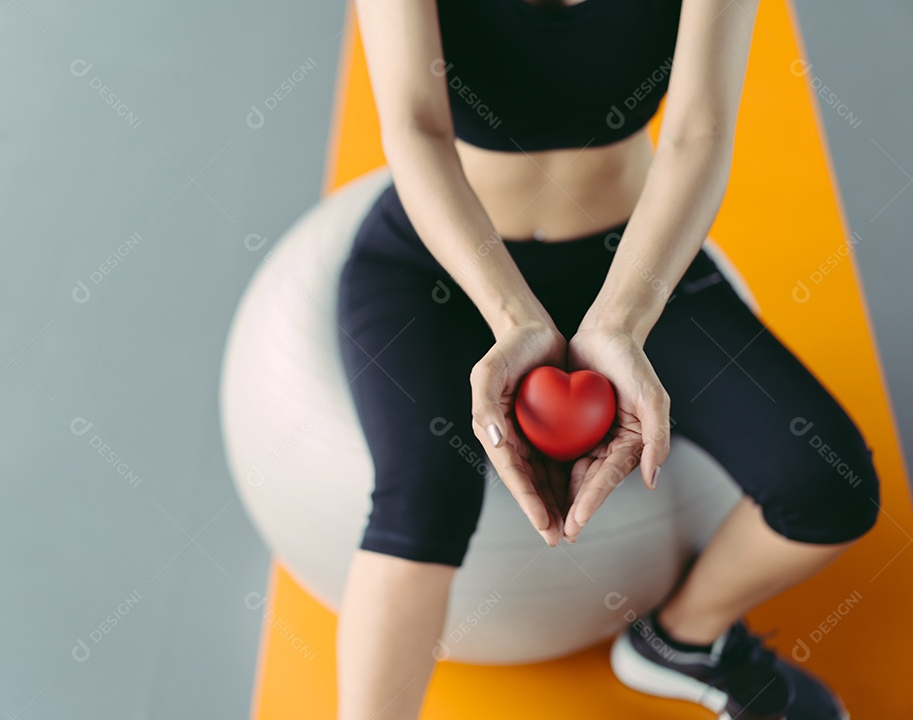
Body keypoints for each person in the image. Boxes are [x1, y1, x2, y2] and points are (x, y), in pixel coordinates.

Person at [333, 1, 879, 718]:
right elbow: (416, 125)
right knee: (422, 501)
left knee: (831, 486)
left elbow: (696, 133)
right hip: (446, 269)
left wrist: (621, 320)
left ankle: (682, 640)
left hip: (632, 267)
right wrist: (514, 315)